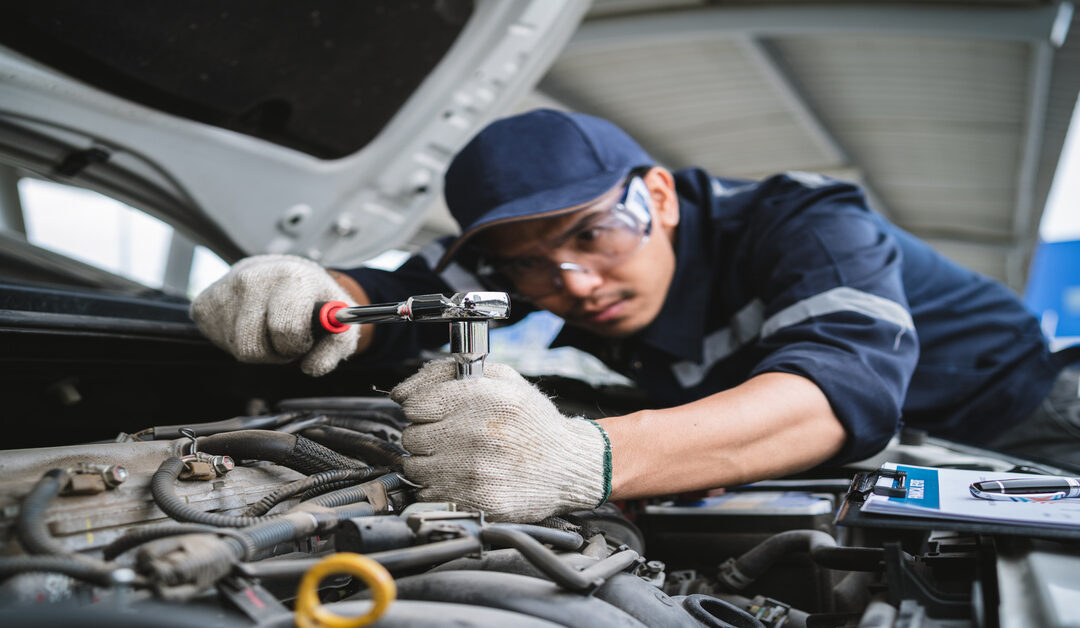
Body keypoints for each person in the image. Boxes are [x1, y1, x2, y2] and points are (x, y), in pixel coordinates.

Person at [191, 108, 1080, 522]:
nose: (572, 283)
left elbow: (837, 388)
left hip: (1029, 417)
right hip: (896, 467)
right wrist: (319, 292)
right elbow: (415, 299)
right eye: (527, 264)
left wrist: (588, 458)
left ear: (656, 194)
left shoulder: (804, 222)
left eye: (593, 232)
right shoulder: (562, 273)